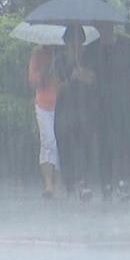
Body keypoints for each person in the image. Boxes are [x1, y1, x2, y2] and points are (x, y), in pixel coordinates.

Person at [84, 21, 130, 201]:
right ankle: (106, 183)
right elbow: (87, 76)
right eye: (101, 28)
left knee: (124, 142)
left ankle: (122, 181)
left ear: (112, 27)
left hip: (124, 103)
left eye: (107, 27)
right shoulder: (92, 49)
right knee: (104, 145)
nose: (104, 31)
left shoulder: (128, 46)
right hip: (100, 105)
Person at [55, 25, 99, 200]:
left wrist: (83, 74)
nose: (75, 46)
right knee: (65, 147)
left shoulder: (89, 58)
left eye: (78, 42)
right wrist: (71, 77)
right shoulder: (58, 60)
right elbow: (56, 85)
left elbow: (94, 79)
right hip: (64, 110)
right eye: (72, 42)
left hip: (85, 109)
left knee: (84, 146)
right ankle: (69, 183)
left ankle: (83, 182)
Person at [27, 43, 64, 198]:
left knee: (61, 141)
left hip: (62, 103)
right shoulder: (37, 52)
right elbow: (32, 81)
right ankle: (48, 183)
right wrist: (44, 70)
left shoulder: (64, 52)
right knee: (48, 141)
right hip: (43, 104)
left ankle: (60, 181)